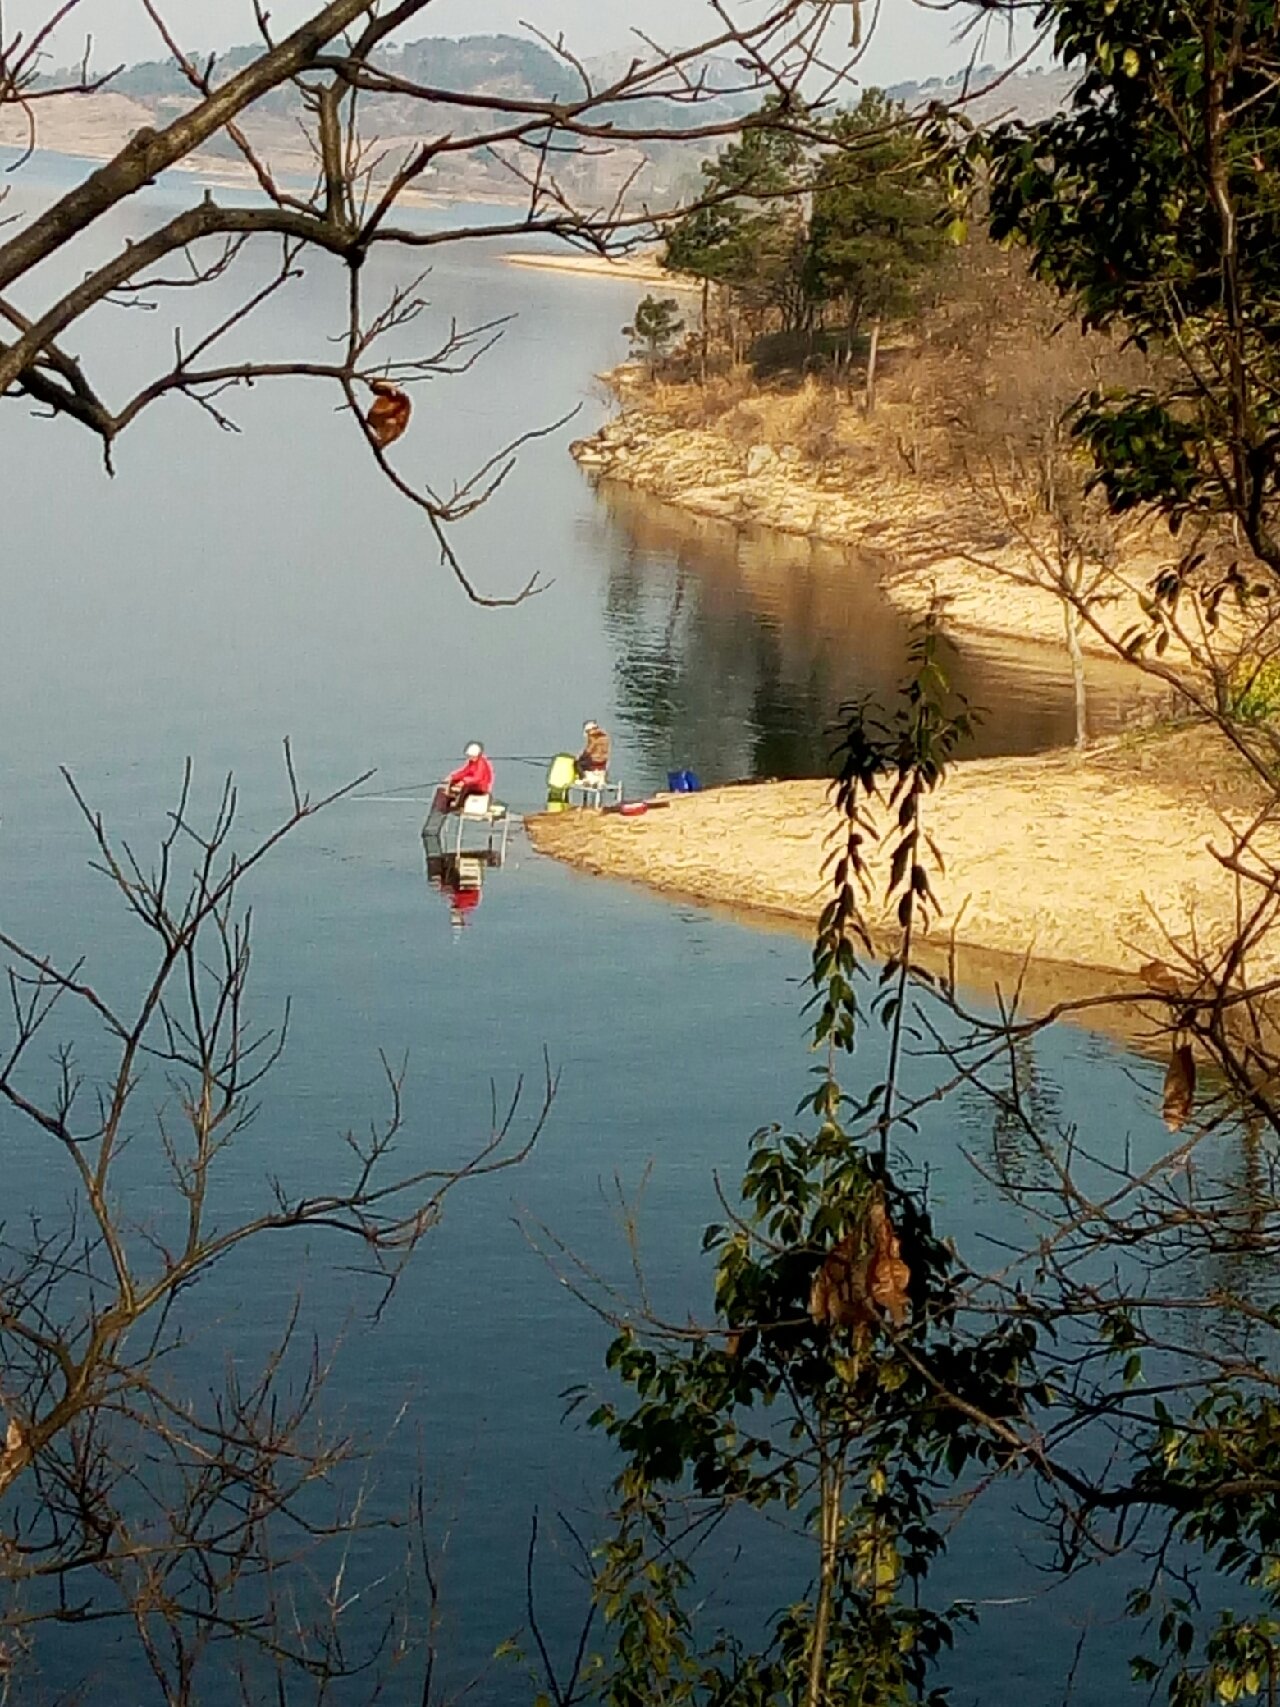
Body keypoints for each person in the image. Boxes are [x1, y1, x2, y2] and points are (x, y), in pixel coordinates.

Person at [435, 740, 493, 815]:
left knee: (465, 788)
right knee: (454, 783)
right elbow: (465, 772)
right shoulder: (472, 763)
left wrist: (464, 781)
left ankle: (459, 805)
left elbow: (477, 778)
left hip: (481, 787)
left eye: (471, 756)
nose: (470, 758)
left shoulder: (481, 763)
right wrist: (453, 777)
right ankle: (447, 802)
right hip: (473, 784)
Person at [576, 720, 610, 785]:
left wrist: (580, 756)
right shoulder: (605, 735)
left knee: (578, 762)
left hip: (594, 761)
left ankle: (584, 778)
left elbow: (589, 751)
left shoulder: (592, 736)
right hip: (603, 762)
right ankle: (604, 779)